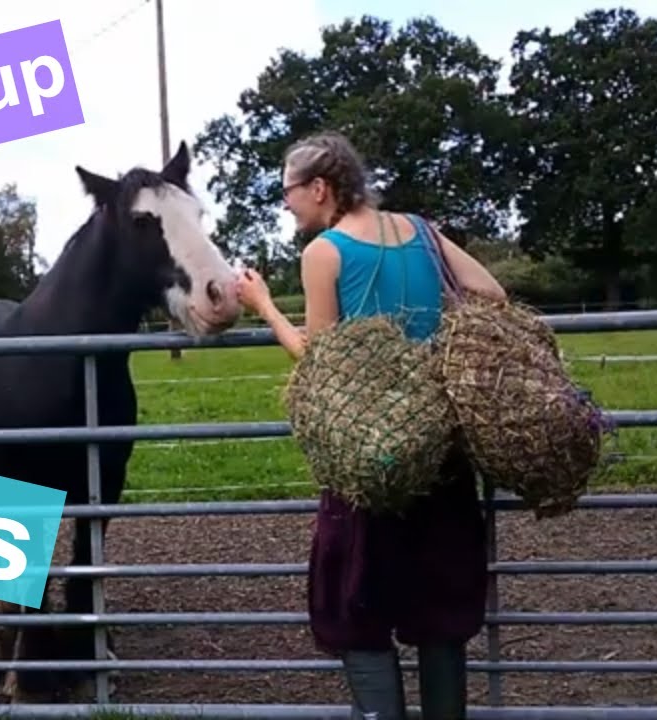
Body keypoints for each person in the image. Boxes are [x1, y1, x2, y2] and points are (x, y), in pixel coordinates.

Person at [234, 131, 507, 720]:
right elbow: (492, 292)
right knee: (441, 601)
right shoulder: (423, 232)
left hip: (369, 453)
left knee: (354, 601)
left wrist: (265, 308)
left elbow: (320, 361)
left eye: (287, 191)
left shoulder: (325, 253)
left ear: (319, 188)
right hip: (440, 446)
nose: (285, 203)